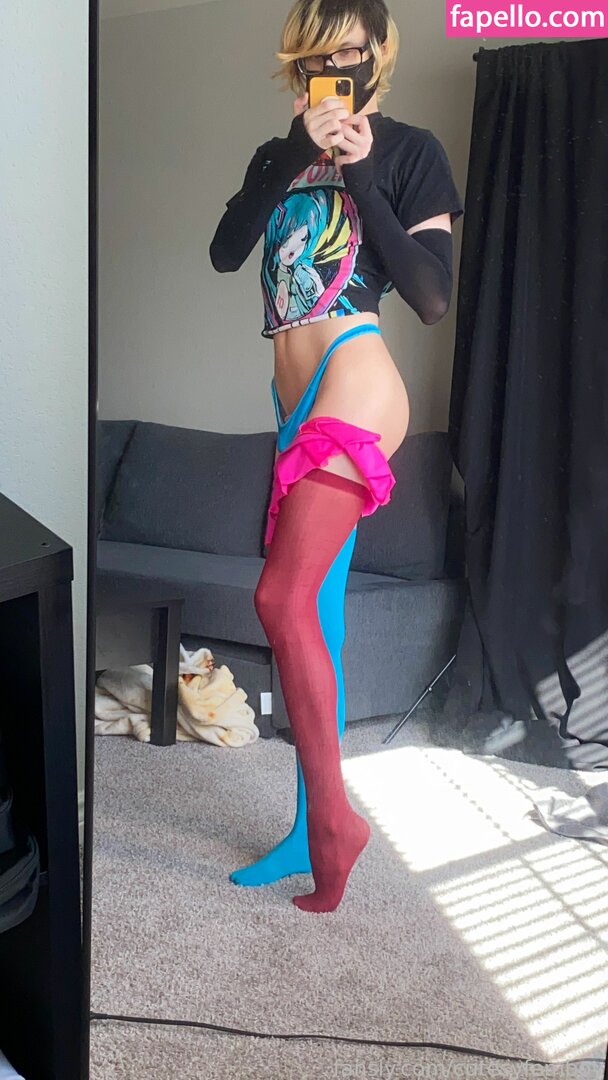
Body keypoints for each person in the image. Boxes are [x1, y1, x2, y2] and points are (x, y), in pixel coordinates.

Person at [209, 0, 464, 913]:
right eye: (322, 54)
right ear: (299, 62)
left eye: (354, 52)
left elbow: (431, 296)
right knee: (314, 614)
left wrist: (358, 176)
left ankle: (334, 825)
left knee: (278, 599)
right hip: (292, 402)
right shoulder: (276, 155)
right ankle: (300, 827)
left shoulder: (410, 151)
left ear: (379, 55)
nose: (338, 69)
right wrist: (293, 152)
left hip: (355, 380)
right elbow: (225, 253)